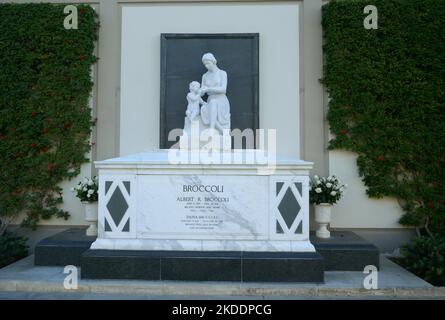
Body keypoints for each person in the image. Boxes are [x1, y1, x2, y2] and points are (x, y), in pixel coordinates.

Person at [199, 53, 231, 134]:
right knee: (207, 107)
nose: (206, 66)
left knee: (212, 104)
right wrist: (200, 92)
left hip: (221, 100)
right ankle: (221, 130)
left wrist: (209, 88)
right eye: (204, 64)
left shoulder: (222, 73)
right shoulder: (204, 76)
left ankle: (212, 129)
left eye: (208, 63)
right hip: (210, 99)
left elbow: (223, 89)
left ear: (213, 62)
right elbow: (202, 92)